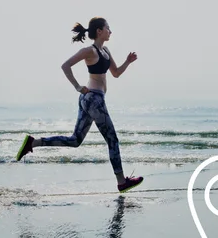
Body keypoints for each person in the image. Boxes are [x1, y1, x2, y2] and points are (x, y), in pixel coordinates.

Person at [16, 17, 143, 193]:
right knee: (112, 139)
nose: (110, 31)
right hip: (93, 99)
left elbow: (115, 73)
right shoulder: (89, 51)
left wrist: (128, 62)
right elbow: (65, 65)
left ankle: (33, 143)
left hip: (92, 100)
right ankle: (121, 181)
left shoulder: (105, 51)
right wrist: (77, 86)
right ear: (99, 31)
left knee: (75, 140)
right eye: (108, 28)